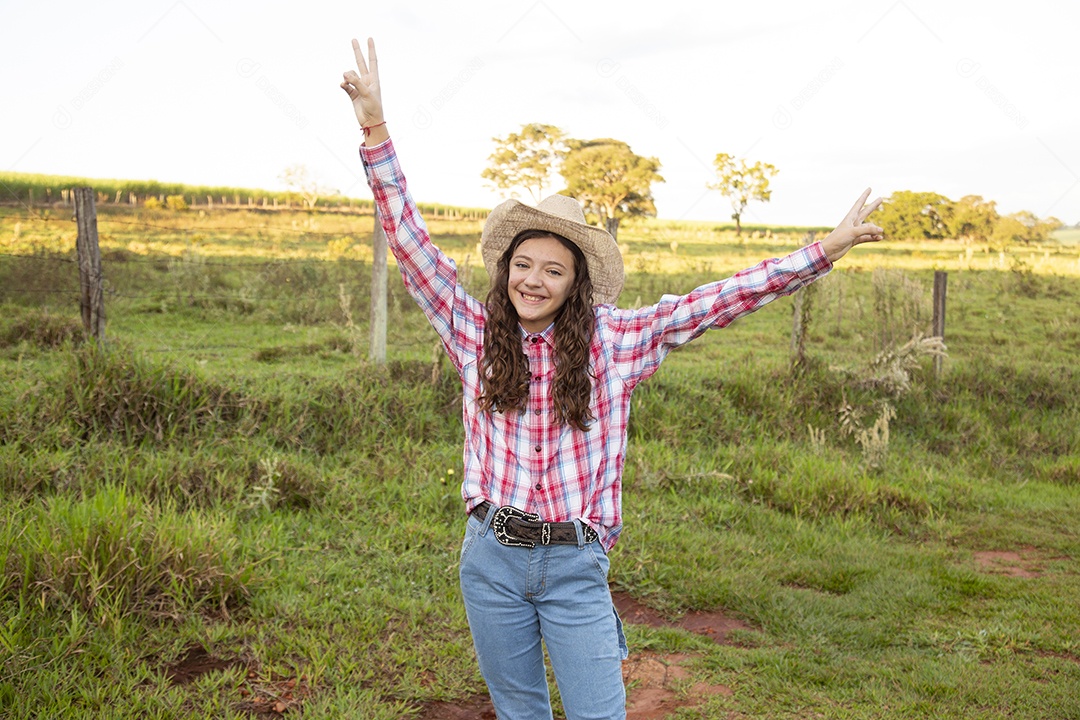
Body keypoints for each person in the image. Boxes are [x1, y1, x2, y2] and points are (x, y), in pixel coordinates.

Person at [341, 37, 883, 720]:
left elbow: (715, 301)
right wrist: (375, 128)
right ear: (506, 267)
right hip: (491, 560)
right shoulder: (473, 329)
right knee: (519, 711)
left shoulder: (615, 341)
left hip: (574, 567)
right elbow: (409, 239)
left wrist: (821, 253)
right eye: (522, 265)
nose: (532, 280)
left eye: (552, 270)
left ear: (575, 283)